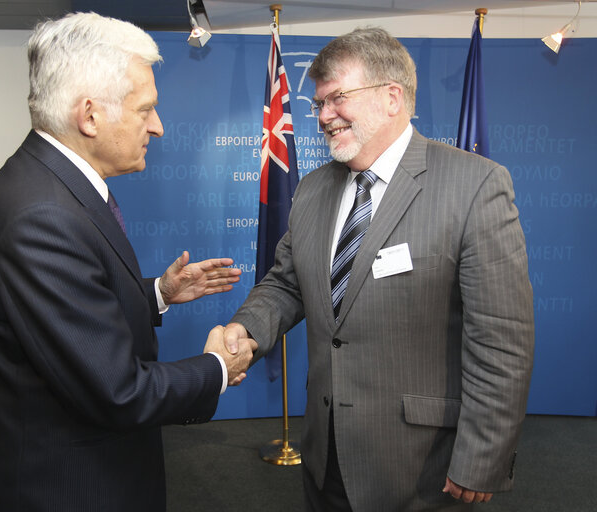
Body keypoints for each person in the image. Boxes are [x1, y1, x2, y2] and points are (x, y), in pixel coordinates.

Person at [224, 27, 534, 511]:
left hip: (421, 466)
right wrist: (246, 330)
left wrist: (484, 457)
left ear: (393, 98)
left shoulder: (476, 186)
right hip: (325, 453)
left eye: (337, 98)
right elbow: (287, 282)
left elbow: (501, 340)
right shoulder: (313, 189)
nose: (324, 117)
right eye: (319, 104)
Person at [0, 12, 255, 512]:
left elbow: (71, 312)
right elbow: (118, 392)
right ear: (90, 115)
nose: (158, 128)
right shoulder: (42, 216)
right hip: (72, 488)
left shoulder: (49, 187)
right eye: (146, 110)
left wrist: (157, 293)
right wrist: (216, 369)